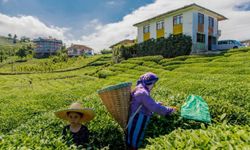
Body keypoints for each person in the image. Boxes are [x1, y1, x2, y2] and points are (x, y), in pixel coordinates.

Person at [126, 72, 177, 149]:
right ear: (149, 83)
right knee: (135, 141)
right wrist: (169, 110)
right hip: (138, 119)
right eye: (154, 84)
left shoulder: (140, 88)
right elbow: (154, 107)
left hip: (137, 117)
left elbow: (144, 104)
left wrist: (156, 103)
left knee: (133, 139)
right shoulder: (142, 92)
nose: (153, 86)